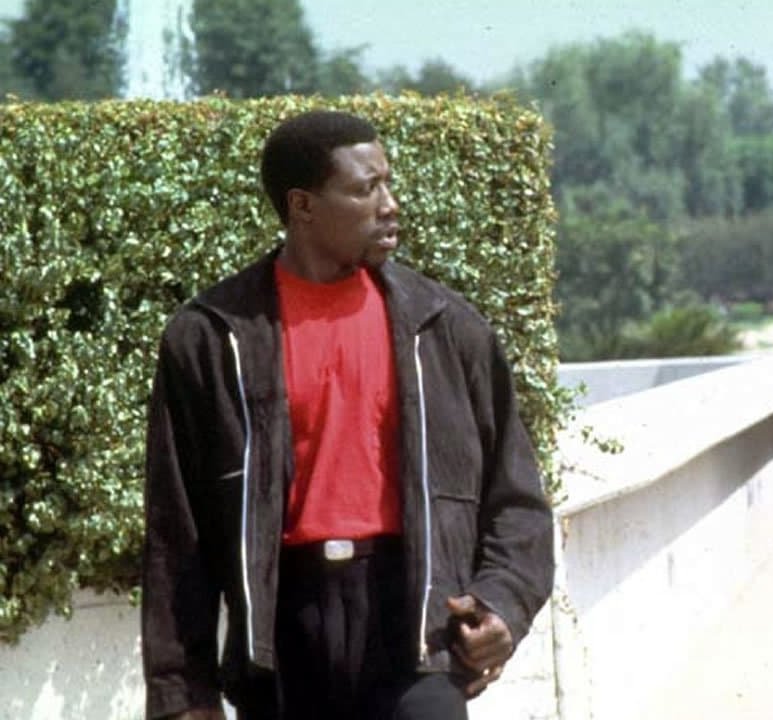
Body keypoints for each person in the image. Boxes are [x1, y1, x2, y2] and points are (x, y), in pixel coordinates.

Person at [142, 110, 555, 719]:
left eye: (388, 183)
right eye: (365, 189)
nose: (390, 205)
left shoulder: (446, 328)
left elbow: (515, 498)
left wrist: (503, 603)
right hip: (283, 640)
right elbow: (176, 534)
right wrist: (183, 695)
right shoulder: (213, 337)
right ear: (302, 206)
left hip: (416, 631)